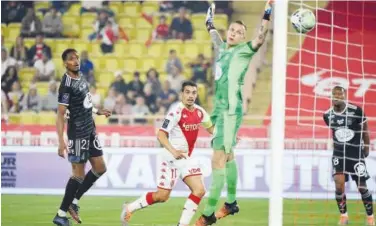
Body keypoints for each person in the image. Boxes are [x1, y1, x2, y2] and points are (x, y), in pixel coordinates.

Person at [195, 2, 273, 225]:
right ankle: (230, 202)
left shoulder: (244, 50)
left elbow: (261, 37)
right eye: (232, 30)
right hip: (218, 111)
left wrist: (267, 10)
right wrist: (209, 22)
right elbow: (212, 32)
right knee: (228, 158)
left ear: (241, 38)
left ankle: (208, 214)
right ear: (227, 32)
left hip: (230, 112)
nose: (235, 34)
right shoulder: (221, 48)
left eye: (239, 33)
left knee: (217, 160)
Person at [121, 81, 214, 226]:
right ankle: (130, 208)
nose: (190, 96)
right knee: (162, 196)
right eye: (187, 92)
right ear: (181, 94)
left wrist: (228, 138)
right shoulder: (175, 112)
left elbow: (212, 129)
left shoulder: (200, 112)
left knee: (199, 190)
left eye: (193, 93)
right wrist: (174, 151)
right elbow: (161, 135)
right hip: (171, 157)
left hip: (185, 158)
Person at [53, 49, 111, 226]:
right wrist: (61, 141)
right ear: (65, 63)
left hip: (90, 128)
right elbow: (60, 114)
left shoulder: (81, 76)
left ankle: (74, 202)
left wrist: (97, 111)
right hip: (77, 131)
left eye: (76, 57)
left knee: (100, 168)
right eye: (71, 59)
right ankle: (61, 214)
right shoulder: (66, 84)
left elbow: (84, 102)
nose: (76, 61)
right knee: (78, 175)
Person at [323, 86, 373, 225]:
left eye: (340, 94)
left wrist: (366, 148)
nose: (337, 96)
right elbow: (335, 133)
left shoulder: (356, 111)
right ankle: (344, 216)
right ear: (331, 96)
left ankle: (370, 217)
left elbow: (365, 131)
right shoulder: (327, 115)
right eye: (335, 94)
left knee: (362, 187)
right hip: (339, 154)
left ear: (344, 96)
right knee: (339, 185)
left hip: (355, 154)